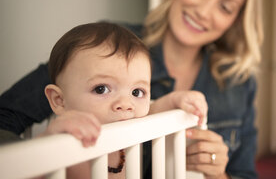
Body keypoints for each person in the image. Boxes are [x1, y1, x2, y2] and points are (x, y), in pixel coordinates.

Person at [0, 0, 263, 179]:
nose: (204, 11)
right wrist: (43, 153)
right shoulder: (103, 47)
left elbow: (244, 174)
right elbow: (6, 115)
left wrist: (218, 174)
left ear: (235, 21)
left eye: (225, 7)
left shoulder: (237, 83)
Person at [37, 22, 207, 178]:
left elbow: (153, 112)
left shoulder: (134, 127)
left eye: (137, 92)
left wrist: (175, 100)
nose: (126, 104)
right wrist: (49, 140)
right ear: (59, 100)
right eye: (101, 89)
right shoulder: (64, 143)